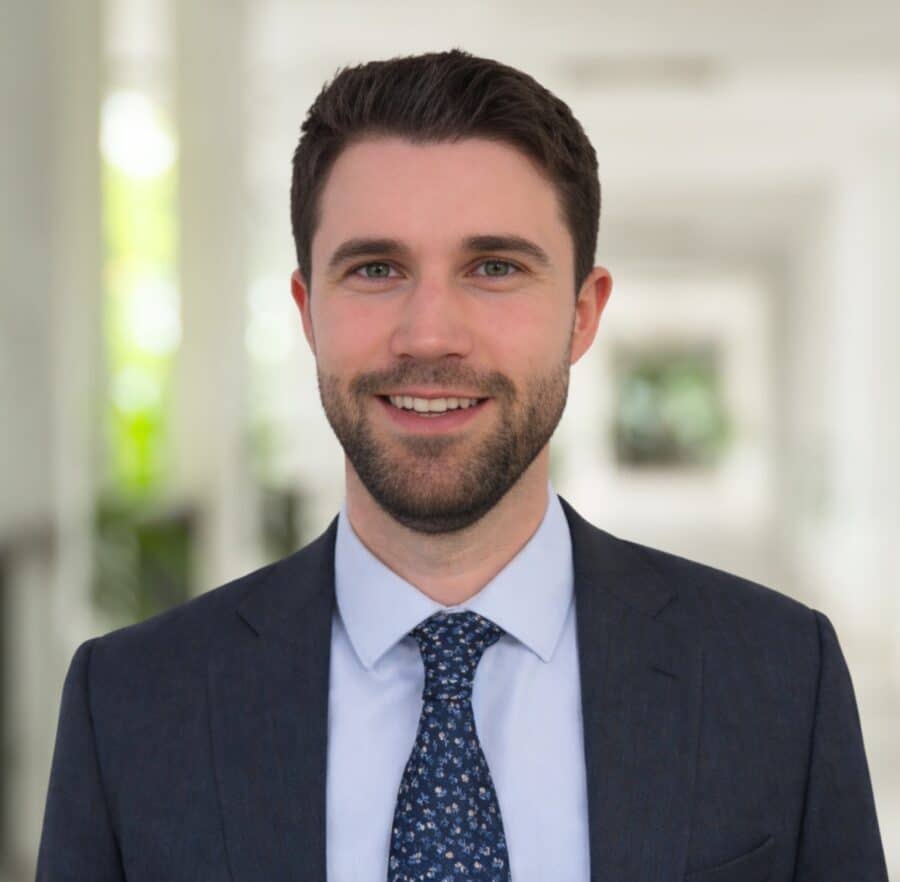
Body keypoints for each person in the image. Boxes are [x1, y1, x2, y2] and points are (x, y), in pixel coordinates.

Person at [36, 50, 888, 882]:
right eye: (376, 269)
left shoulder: (778, 675)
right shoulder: (131, 705)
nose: (430, 334)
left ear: (583, 315)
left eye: (493, 268)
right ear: (307, 312)